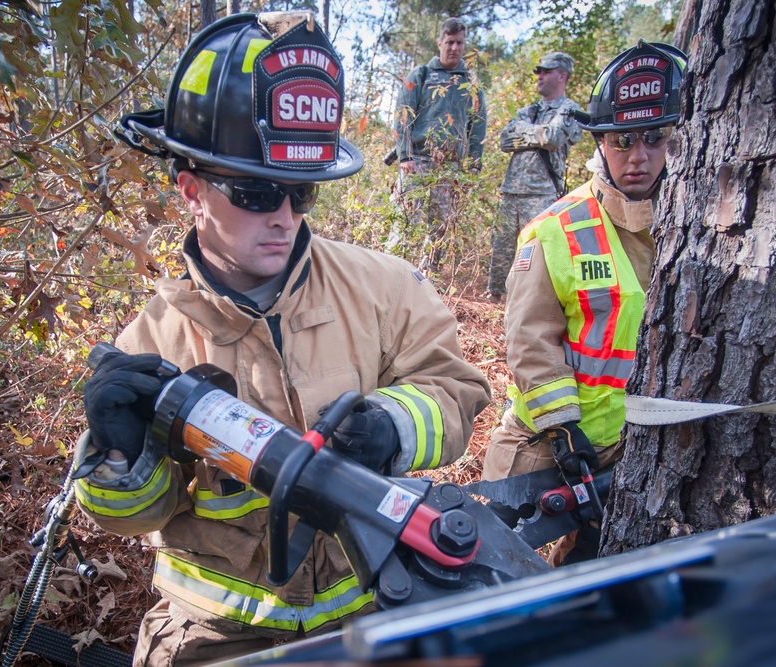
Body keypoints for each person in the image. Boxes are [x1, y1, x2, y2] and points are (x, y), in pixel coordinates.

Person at [73, 12, 491, 666]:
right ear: (192, 189)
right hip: (216, 633)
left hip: (374, 604)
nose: (285, 217)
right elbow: (133, 513)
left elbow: (457, 389)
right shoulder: (151, 339)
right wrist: (120, 457)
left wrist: (392, 423)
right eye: (259, 190)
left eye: (302, 193)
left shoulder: (384, 287)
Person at [481, 40, 688, 564]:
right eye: (621, 141)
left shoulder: (702, 227)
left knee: (589, 570)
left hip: (633, 450)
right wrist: (564, 428)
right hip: (546, 440)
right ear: (599, 143)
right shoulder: (557, 230)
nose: (637, 157)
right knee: (483, 553)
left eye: (653, 139)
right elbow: (530, 341)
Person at [392, 17, 487, 274]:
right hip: (418, 161)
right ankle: (391, 273)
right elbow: (403, 116)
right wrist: (405, 156)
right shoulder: (421, 74)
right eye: (449, 42)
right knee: (405, 222)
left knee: (439, 228)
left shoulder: (470, 82)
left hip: (451, 167)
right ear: (440, 43)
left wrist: (473, 165)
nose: (454, 48)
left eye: (459, 42)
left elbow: (478, 126)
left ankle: (427, 278)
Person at [486, 52, 582, 303]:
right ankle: (497, 301)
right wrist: (536, 134)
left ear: (562, 76)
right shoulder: (529, 110)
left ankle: (533, 304)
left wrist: (524, 132)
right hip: (512, 191)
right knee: (502, 250)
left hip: (542, 194)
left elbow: (553, 138)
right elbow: (505, 140)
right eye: (539, 71)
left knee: (537, 255)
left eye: (546, 71)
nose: (539, 76)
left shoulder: (570, 110)